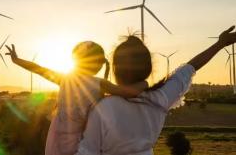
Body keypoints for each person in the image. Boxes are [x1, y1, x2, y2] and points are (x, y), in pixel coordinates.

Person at [76, 26, 236, 155]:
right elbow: (191, 67)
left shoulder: (103, 108)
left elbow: (86, 151)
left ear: (116, 70)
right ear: (148, 68)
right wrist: (220, 44)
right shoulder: (159, 98)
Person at [5, 41, 149, 155]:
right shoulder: (99, 83)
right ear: (98, 64)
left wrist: (16, 60)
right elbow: (127, 92)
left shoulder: (65, 78)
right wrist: (144, 83)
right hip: (82, 139)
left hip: (58, 135)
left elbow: (37, 69)